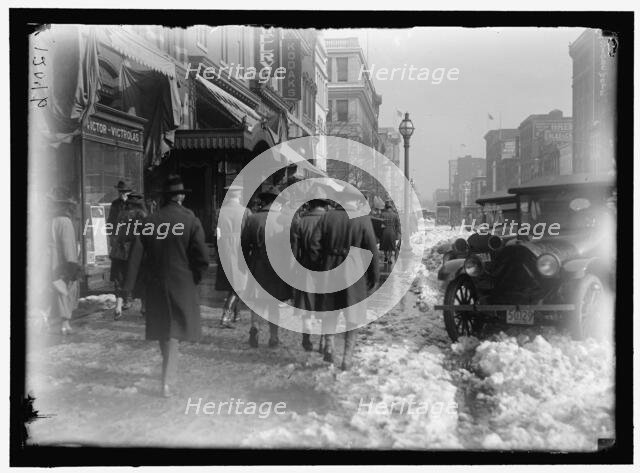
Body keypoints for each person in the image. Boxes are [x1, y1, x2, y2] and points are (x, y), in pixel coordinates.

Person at [141, 175, 209, 398]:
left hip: (156, 282)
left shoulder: (150, 220)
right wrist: (194, 278)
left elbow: (143, 255)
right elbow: (201, 257)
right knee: (172, 330)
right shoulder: (190, 219)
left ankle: (168, 373)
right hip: (181, 282)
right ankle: (167, 381)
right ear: (180, 196)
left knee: (165, 328)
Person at [309, 185, 380, 370]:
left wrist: (319, 266)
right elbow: (372, 250)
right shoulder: (362, 219)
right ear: (356, 200)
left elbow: (314, 245)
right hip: (354, 271)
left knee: (330, 310)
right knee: (352, 316)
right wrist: (374, 276)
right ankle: (347, 358)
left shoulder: (327, 217)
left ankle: (330, 346)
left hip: (330, 268)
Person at [241, 185, 292, 348]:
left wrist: (245, 265)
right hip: (278, 266)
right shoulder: (285, 220)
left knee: (256, 301)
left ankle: (255, 327)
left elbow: (244, 245)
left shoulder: (253, 218)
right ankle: (274, 337)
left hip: (257, 263)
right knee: (273, 303)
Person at [291, 192, 330, 351]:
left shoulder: (300, 222)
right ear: (324, 205)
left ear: (311, 204)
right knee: (325, 305)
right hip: (326, 269)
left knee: (306, 306)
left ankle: (306, 338)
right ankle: (322, 340)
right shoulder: (330, 221)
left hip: (305, 268)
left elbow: (293, 250)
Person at [45, 187, 81, 335]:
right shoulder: (65, 221)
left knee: (54, 290)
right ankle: (65, 324)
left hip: (50, 261)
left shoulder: (50, 220)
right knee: (65, 290)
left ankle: (45, 319)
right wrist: (72, 266)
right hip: (62, 263)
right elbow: (68, 247)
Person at [216, 184, 251, 328]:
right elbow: (249, 233)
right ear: (240, 195)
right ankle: (225, 316)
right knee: (238, 285)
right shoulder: (246, 212)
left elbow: (216, 233)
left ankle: (236, 315)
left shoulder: (219, 211)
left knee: (232, 283)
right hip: (239, 250)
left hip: (224, 249)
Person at [119, 192, 148, 318]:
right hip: (138, 250)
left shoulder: (122, 214)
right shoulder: (142, 214)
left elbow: (119, 232)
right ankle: (144, 306)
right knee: (142, 277)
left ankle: (124, 301)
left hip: (123, 250)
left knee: (124, 277)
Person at [108, 180, 131, 309]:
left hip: (129, 244)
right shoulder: (115, 204)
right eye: (120, 192)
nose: (122, 194)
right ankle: (119, 298)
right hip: (118, 243)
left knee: (129, 271)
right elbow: (110, 221)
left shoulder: (133, 205)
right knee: (118, 272)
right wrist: (111, 237)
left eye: (124, 192)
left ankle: (127, 297)